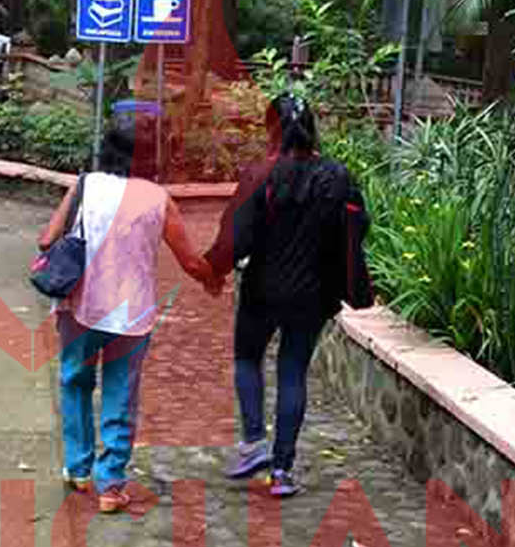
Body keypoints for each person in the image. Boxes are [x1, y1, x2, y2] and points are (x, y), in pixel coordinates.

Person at [37, 114, 216, 513]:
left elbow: (47, 239)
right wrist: (212, 277)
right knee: (121, 393)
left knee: (75, 381)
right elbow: (189, 260)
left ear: (108, 149)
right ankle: (111, 485)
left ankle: (78, 468)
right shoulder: (158, 198)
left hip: (80, 306)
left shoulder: (84, 185)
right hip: (132, 315)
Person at [205, 93, 364, 497]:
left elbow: (236, 238)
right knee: (293, 371)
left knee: (246, 357)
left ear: (273, 129)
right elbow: (359, 228)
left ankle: (254, 440)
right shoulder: (337, 176)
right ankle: (282, 472)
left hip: (262, 288)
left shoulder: (262, 174)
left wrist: (212, 271)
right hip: (313, 294)